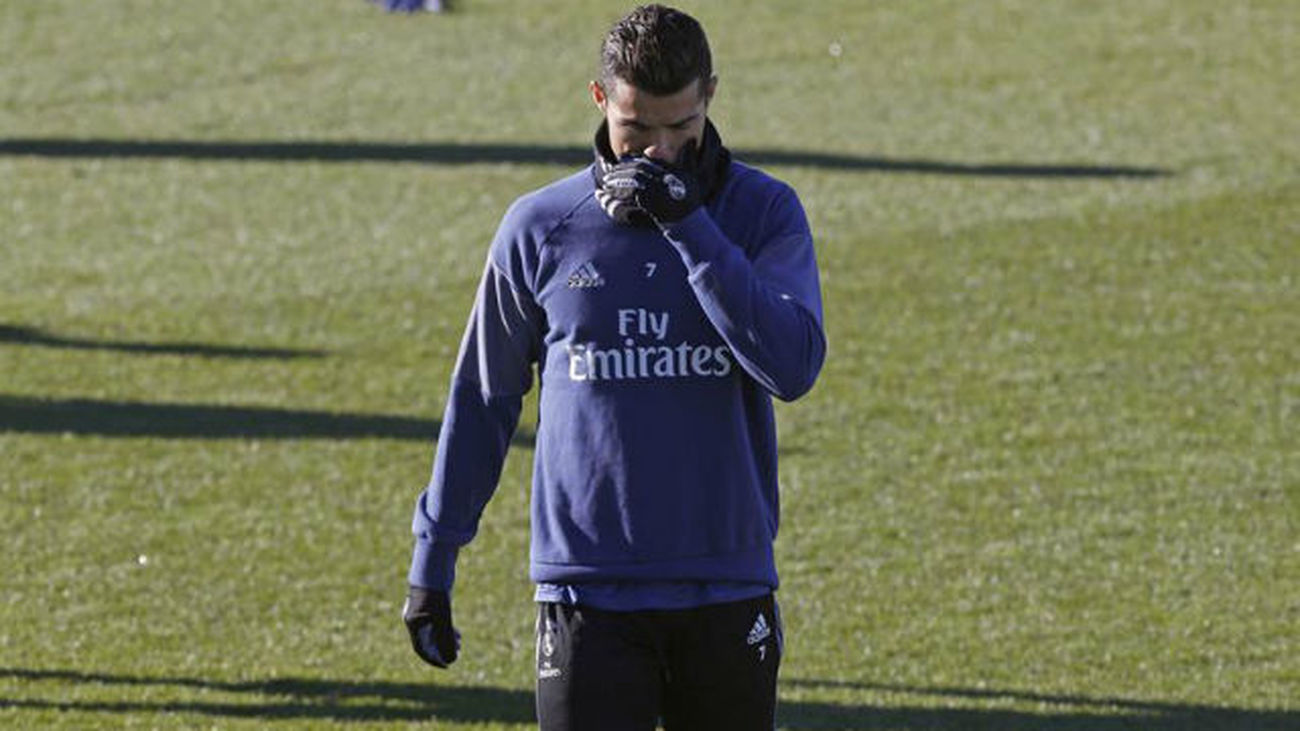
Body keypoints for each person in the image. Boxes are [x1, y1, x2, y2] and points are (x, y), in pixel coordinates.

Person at [401, 5, 826, 728]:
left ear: (710, 96)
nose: (658, 152)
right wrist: (433, 558)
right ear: (600, 100)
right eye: (637, 129)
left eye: (679, 129)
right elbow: (484, 397)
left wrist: (690, 227)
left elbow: (790, 365)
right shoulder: (540, 228)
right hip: (585, 598)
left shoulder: (762, 214)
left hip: (724, 587)